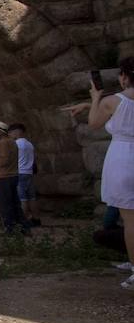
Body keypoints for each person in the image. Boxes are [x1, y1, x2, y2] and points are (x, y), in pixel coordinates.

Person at [70, 58, 134, 286]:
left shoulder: (111, 101)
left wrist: (94, 99)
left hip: (124, 156)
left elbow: (95, 122)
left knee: (130, 220)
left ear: (125, 76)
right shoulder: (115, 102)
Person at [0, 120, 25, 234]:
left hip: (5, 176)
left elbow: (4, 160)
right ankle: (22, 227)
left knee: (6, 204)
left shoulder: (3, 143)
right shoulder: (11, 141)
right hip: (12, 175)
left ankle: (10, 229)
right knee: (15, 203)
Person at [10, 123, 39, 226]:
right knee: (31, 197)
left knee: (22, 198)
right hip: (29, 172)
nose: (10, 135)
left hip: (20, 172)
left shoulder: (16, 144)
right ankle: (36, 218)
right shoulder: (30, 144)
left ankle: (23, 220)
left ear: (16, 132)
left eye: (11, 132)